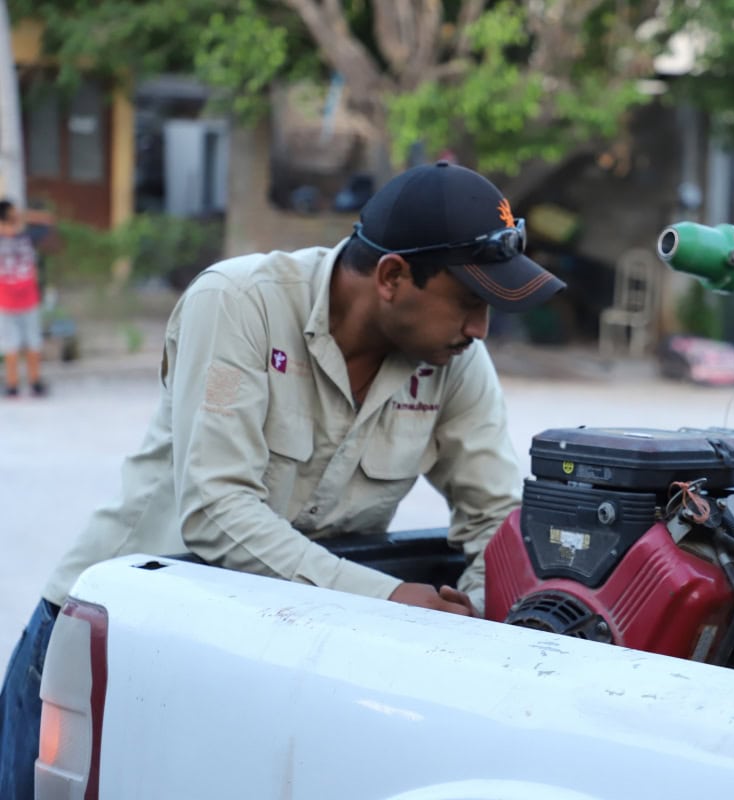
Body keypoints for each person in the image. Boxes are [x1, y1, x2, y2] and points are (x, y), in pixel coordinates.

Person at [0, 161, 565, 797]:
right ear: (392, 276)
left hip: (282, 649)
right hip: (118, 632)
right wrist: (389, 603)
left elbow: (498, 519)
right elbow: (217, 510)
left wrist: (473, 613)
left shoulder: (455, 360)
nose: (480, 329)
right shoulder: (239, 304)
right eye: (468, 302)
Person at [0, 200, 54, 397]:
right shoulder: (24, 237)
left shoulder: (27, 237)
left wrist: (19, 215)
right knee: (11, 346)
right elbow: (47, 220)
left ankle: (34, 381)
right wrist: (21, 215)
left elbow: (48, 220)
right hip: (7, 303)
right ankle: (12, 384)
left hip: (27, 301)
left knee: (32, 343)